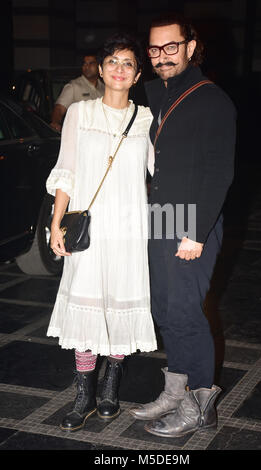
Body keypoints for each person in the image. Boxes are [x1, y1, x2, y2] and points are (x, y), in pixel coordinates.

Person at [129, 13, 236, 438]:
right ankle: (175, 390)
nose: (162, 56)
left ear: (190, 47)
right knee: (164, 310)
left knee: (188, 313)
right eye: (154, 49)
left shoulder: (211, 99)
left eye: (171, 47)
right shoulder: (160, 95)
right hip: (161, 215)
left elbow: (218, 172)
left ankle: (201, 405)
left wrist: (196, 231)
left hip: (191, 220)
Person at [46, 33, 157, 432]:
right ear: (100, 68)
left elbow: (161, 172)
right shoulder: (80, 112)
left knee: (120, 304)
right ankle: (83, 396)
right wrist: (57, 223)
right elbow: (67, 171)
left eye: (128, 63)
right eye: (113, 61)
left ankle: (110, 387)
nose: (119, 69)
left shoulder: (146, 118)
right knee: (88, 309)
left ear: (137, 74)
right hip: (89, 231)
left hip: (129, 228)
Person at [50, 54, 105, 131]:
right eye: (84, 63)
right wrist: (55, 123)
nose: (87, 66)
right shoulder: (73, 86)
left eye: (91, 63)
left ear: (99, 66)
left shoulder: (104, 88)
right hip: (80, 135)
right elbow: (59, 108)